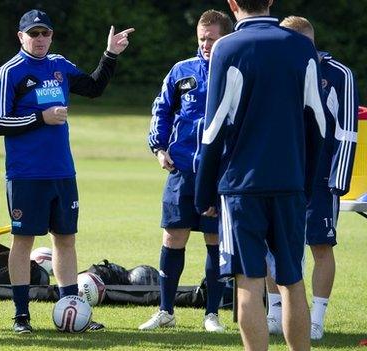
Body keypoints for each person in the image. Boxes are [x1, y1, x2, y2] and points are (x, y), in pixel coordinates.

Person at [0, 9, 133, 334]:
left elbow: (94, 87)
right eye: (34, 33)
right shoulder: (10, 72)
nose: (40, 39)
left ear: (51, 36)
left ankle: (72, 306)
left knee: (65, 239)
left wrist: (110, 54)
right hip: (26, 174)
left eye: (45, 33)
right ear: (21, 36)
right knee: (23, 241)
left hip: (62, 172)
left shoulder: (59, 65)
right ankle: (21, 316)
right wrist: (42, 117)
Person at [194, 1, 326, 350]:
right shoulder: (300, 45)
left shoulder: (228, 47)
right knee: (292, 279)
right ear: (270, 1)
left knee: (249, 280)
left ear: (233, 4)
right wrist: (306, 183)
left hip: (241, 187)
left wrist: (204, 192)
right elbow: (319, 124)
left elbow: (214, 128)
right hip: (290, 183)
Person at [265, 16, 358, 341]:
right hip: (279, 174)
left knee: (320, 245)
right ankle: (274, 313)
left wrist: (339, 178)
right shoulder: (274, 69)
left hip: (320, 178)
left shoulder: (338, 75)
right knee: (270, 245)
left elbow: (347, 129)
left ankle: (316, 318)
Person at [139, 9, 232, 333]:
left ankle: (212, 314)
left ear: (226, 38)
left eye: (213, 39)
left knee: (215, 240)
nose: (207, 45)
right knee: (172, 236)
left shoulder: (236, 71)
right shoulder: (182, 71)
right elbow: (161, 110)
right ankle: (165, 311)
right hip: (182, 171)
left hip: (220, 173)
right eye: (202, 39)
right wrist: (159, 148)